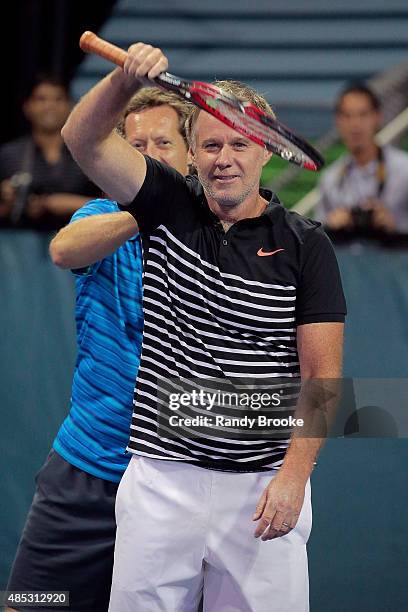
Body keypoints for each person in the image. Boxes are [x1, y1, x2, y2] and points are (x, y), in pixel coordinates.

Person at [61, 43, 346, 612]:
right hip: (160, 483)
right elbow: (82, 140)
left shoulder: (307, 245)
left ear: (264, 150)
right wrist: (122, 82)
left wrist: (293, 477)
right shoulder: (165, 203)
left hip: (262, 489)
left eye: (239, 143)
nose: (224, 158)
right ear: (191, 152)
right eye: (211, 144)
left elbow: (322, 376)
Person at [5, 88, 191, 612]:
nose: (150, 154)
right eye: (136, 144)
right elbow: (63, 250)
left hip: (177, 479)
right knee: (31, 603)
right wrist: (149, 210)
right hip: (87, 473)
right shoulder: (103, 214)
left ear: (191, 153)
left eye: (163, 141)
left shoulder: (217, 236)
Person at [0, 74, 97, 230]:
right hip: (17, 245)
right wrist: (8, 201)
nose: (50, 106)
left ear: (70, 106)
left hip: (81, 242)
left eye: (58, 99)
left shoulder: (88, 154)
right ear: (27, 106)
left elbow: (112, 206)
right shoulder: (8, 155)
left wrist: (60, 203)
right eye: (41, 99)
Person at [315, 82, 408, 234]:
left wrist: (395, 226)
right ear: (338, 121)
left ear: (378, 117)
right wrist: (331, 227)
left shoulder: (404, 171)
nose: (355, 124)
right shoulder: (330, 180)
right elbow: (318, 240)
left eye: (363, 114)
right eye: (347, 116)